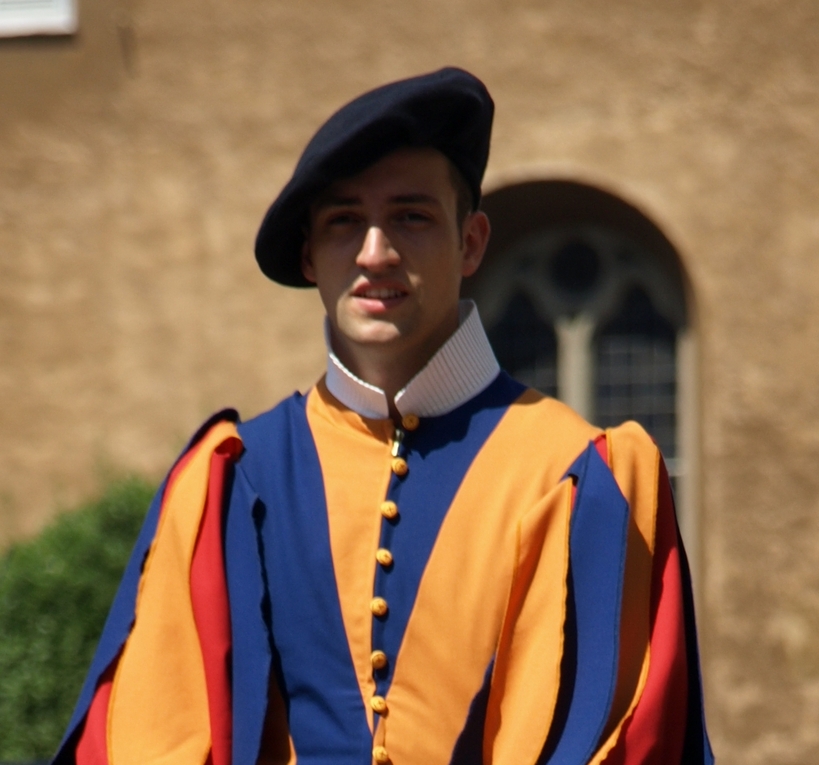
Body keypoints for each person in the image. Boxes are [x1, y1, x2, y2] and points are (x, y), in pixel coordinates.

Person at [54, 67, 713, 765]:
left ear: (471, 242)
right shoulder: (230, 483)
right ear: (311, 254)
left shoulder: (579, 476)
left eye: (410, 216)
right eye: (344, 221)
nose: (375, 253)